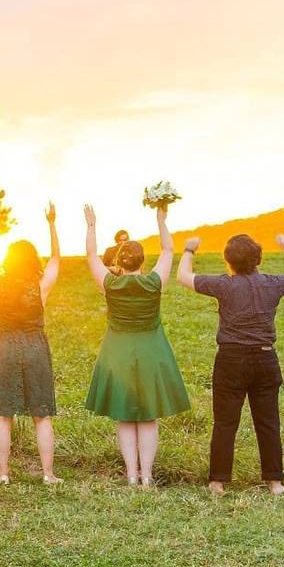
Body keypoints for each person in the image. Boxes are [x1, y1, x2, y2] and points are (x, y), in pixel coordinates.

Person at [178, 234, 284, 495]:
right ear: (258, 259)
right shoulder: (273, 284)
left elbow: (183, 277)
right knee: (268, 422)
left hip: (230, 360)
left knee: (225, 422)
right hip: (265, 359)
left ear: (227, 260)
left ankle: (217, 482)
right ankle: (275, 483)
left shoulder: (224, 285)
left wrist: (189, 250)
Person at [83, 204, 190, 487]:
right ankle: (147, 475)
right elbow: (168, 252)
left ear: (119, 260)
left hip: (117, 352)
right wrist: (161, 219)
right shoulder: (154, 282)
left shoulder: (109, 283)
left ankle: (131, 474)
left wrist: (91, 226)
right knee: (148, 416)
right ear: (143, 261)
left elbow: (91, 256)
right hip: (152, 352)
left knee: (125, 416)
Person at [0, 203, 62, 484]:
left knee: (3, 415)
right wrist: (52, 224)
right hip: (34, 346)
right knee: (41, 415)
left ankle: (3, 474)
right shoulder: (41, 285)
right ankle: (48, 474)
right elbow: (56, 258)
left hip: (4, 345)